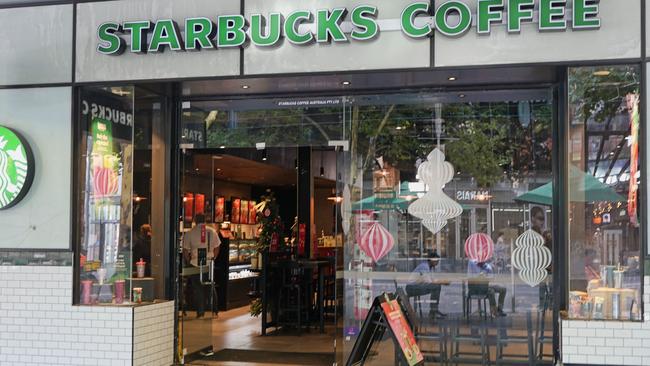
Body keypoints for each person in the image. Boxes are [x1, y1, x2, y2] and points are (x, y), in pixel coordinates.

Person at [182, 214, 221, 318]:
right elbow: (217, 247)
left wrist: (189, 260)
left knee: (198, 288)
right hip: (208, 263)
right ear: (205, 220)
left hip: (195, 263)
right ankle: (215, 310)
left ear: (194, 220)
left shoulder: (190, 233)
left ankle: (200, 312)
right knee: (210, 286)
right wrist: (213, 258)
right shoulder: (212, 231)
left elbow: (185, 250)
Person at [406, 250, 445, 319]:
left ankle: (434, 310)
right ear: (431, 260)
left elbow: (431, 280)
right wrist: (440, 282)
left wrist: (440, 281)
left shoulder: (429, 267)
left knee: (437, 286)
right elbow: (428, 281)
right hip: (411, 288)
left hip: (416, 286)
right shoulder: (424, 266)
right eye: (437, 260)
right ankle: (433, 311)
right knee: (436, 287)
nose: (438, 262)